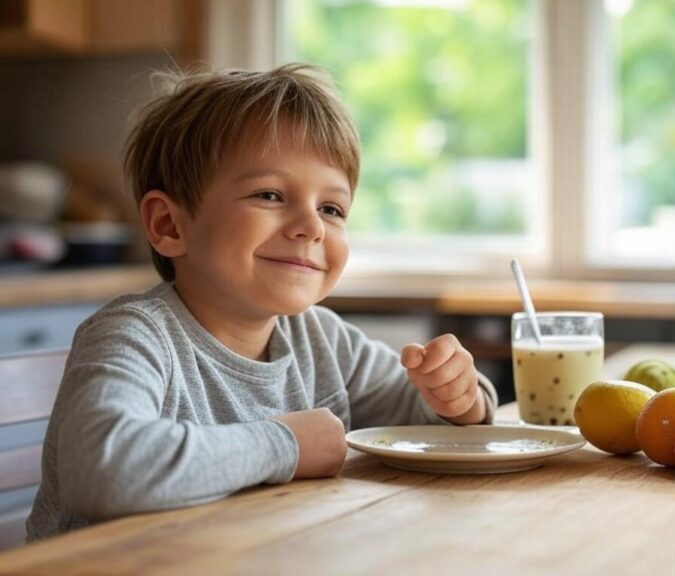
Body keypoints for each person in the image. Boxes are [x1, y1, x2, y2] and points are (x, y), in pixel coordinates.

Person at [26, 63, 498, 541]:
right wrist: (286, 443)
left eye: (331, 208)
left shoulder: (322, 339)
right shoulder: (134, 335)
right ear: (169, 225)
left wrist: (459, 399)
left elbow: (422, 414)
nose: (311, 227)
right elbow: (104, 470)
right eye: (270, 195)